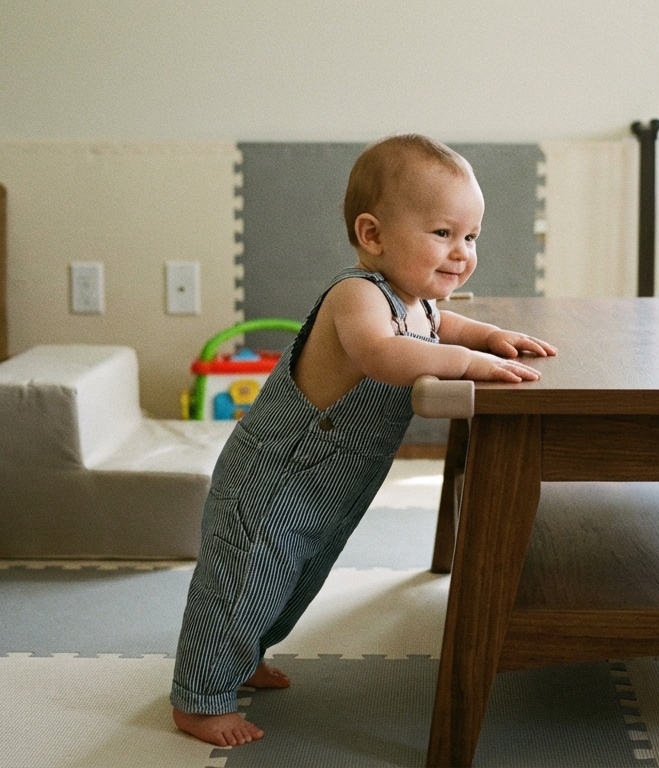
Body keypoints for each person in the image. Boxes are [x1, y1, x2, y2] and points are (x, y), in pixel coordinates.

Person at [170, 134, 557, 747]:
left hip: (330, 485)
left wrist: (489, 336)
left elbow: (443, 323)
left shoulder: (419, 304)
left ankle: (243, 659)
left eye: (471, 237)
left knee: (294, 583)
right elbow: (381, 354)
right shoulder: (358, 297)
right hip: (274, 477)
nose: (461, 253)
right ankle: (200, 699)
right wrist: (465, 363)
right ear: (372, 236)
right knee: (244, 582)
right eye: (442, 234)